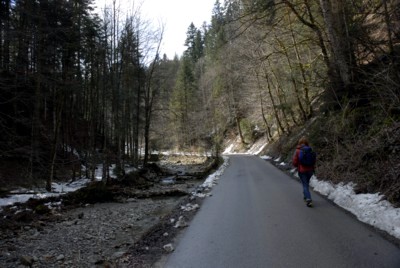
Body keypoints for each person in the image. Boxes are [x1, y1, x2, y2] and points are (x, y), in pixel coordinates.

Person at [292, 136, 315, 207]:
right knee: (306, 183)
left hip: (302, 170)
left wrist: (296, 165)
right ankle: (305, 195)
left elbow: (295, 161)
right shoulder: (310, 149)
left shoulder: (298, 150)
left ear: (300, 142)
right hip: (310, 170)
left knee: (305, 184)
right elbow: (314, 159)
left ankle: (308, 199)